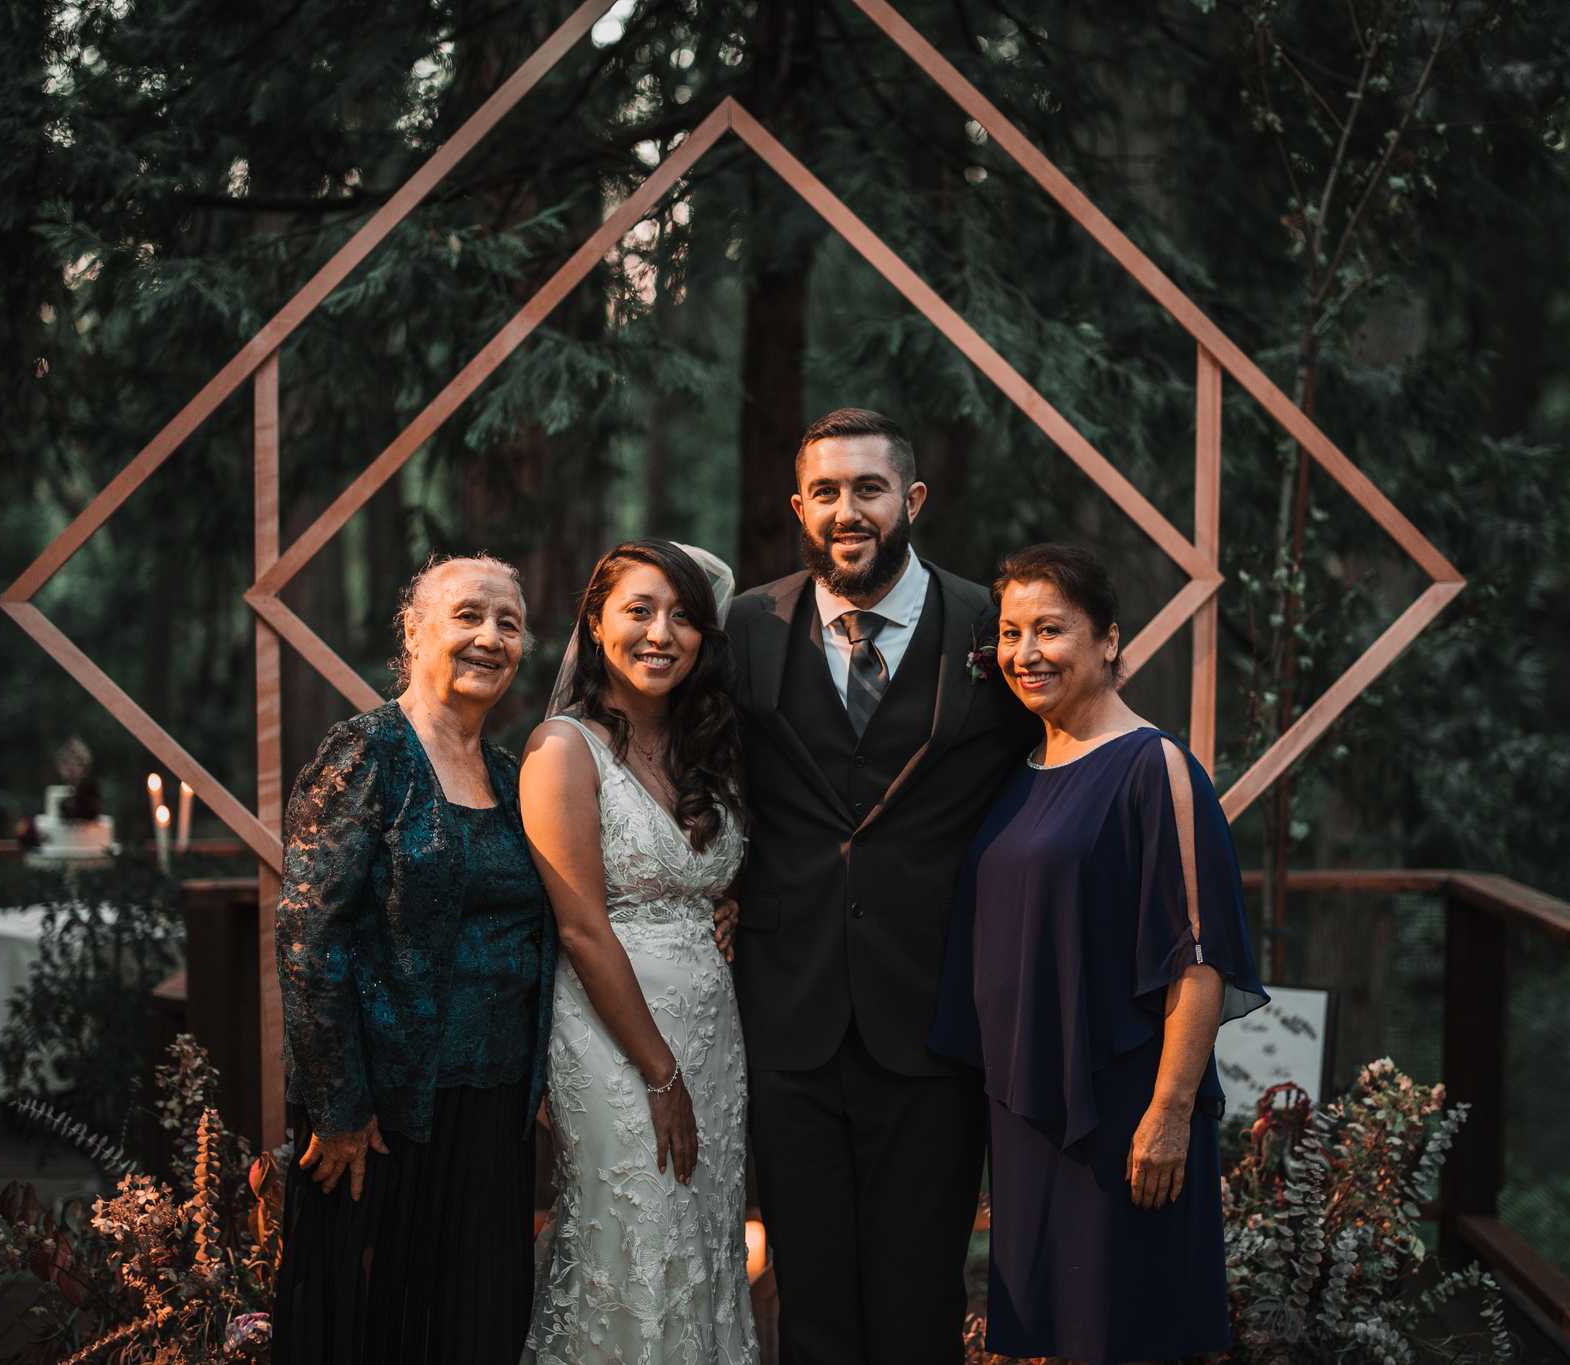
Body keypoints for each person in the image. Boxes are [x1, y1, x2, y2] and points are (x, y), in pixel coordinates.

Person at [724, 408, 1039, 1364]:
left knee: (921, 1293)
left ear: (913, 498)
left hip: (936, 1011)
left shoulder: (991, 624)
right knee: (809, 1296)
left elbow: (1053, 762)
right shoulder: (749, 625)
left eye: (868, 488)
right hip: (790, 1013)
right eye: (825, 491)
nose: (846, 509)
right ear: (798, 506)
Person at [930, 542, 1269, 1364]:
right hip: (1029, 1113)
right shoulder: (1023, 768)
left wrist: (1169, 1113)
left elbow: (1198, 956)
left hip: (1123, 1112)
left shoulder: (1156, 768)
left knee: (1124, 1333)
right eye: (1011, 633)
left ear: (1109, 640)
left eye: (1051, 629)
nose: (1026, 652)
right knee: (1047, 1338)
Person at [272, 554, 555, 1365]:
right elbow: (307, 934)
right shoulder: (367, 752)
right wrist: (337, 1106)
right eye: (468, 615)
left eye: (508, 622)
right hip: (382, 1117)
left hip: (495, 1112)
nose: (490, 638)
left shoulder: (509, 774)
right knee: (378, 1329)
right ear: (415, 630)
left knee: (473, 1327)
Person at [521, 539, 758, 1364]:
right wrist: (659, 1072)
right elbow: (583, 926)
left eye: (684, 617)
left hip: (712, 1033)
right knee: (635, 1239)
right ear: (595, 622)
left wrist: (726, 904)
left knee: (704, 1245)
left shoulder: (706, 750)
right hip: (614, 1041)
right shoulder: (561, 751)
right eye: (641, 610)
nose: (663, 633)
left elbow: (713, 873)